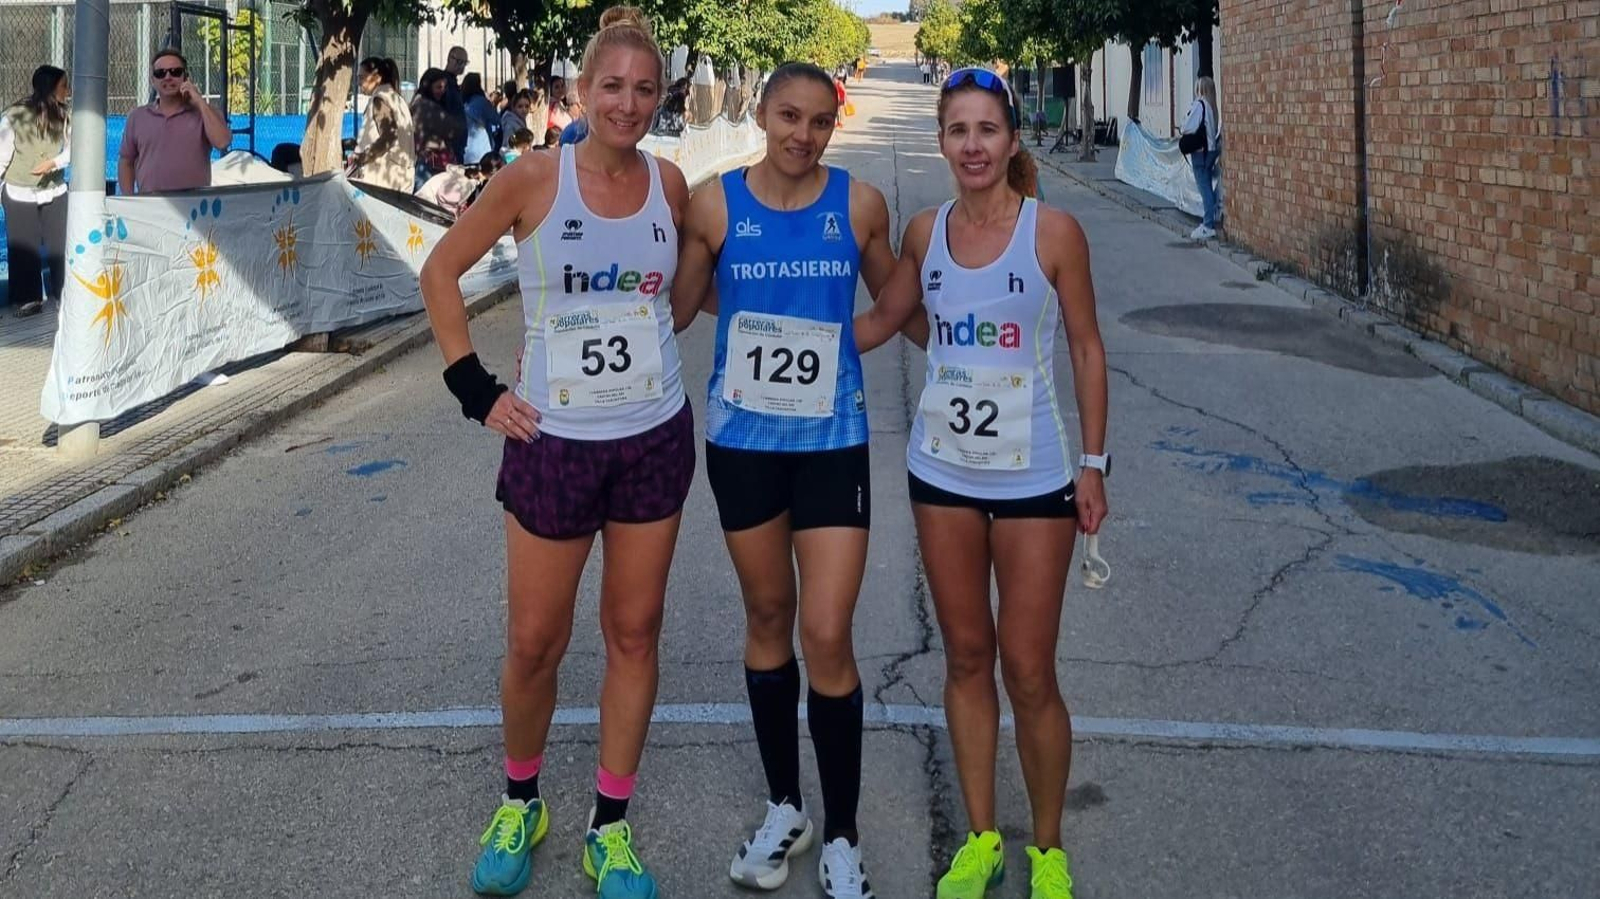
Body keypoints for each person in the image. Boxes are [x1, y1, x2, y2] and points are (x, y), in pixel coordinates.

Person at [417, 6, 692, 898]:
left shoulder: (673, 185)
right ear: (582, 91)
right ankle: (521, 796)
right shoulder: (534, 178)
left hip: (652, 435)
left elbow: (676, 300)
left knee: (634, 633)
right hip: (553, 441)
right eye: (611, 86)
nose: (628, 103)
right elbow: (439, 272)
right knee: (536, 641)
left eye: (645, 89)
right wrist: (478, 391)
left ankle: (608, 824)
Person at [850, 66, 1109, 899]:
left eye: (987, 130)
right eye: (958, 130)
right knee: (966, 655)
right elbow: (893, 319)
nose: (972, 145)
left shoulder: (1055, 232)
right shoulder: (924, 233)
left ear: (1011, 138)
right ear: (941, 142)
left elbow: (1086, 349)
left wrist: (1094, 463)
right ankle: (982, 838)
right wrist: (760, 321)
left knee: (1028, 668)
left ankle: (1049, 847)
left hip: (1035, 478)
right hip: (942, 475)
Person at [672, 60, 896, 899]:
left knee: (827, 631)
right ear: (762, 114)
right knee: (769, 614)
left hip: (832, 440)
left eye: (819, 122)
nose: (803, 135)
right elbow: (681, 305)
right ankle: (785, 806)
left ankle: (842, 832)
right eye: (788, 116)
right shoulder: (715, 203)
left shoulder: (860, 204)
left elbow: (894, 300)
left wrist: (843, 347)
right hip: (743, 441)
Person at [1, 64, 70, 318]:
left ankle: (66, 295)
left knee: (60, 245)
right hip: (19, 191)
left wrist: (54, 163)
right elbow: (2, 156)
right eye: (64, 86)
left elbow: (74, 149)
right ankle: (27, 299)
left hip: (55, 190)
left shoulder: (66, 115)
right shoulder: (14, 116)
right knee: (23, 247)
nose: (68, 90)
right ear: (51, 87)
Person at [117, 49, 231, 194]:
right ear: (153, 81)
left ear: (186, 78)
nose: (168, 77)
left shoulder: (206, 114)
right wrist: (130, 199)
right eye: (160, 73)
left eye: (175, 72)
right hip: (150, 205)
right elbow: (126, 161)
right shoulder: (137, 117)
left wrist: (199, 101)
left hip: (194, 207)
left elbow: (222, 142)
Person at [347, 57, 415, 193]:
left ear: (377, 77)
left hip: (383, 178)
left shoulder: (381, 99)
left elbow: (389, 136)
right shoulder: (398, 99)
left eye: (362, 78)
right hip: (403, 176)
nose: (359, 83)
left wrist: (364, 156)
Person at [1181, 76, 1222, 240]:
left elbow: (1187, 126)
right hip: (1210, 151)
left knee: (1203, 187)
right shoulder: (1212, 107)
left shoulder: (1199, 105)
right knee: (1207, 187)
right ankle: (1210, 220)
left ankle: (1208, 224)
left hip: (1199, 152)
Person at [413, 68, 465, 189]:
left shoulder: (425, 103)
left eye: (444, 87)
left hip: (432, 163)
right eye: (438, 87)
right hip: (429, 165)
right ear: (428, 86)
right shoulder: (424, 106)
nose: (442, 91)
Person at [462, 72, 500, 160]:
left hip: (466, 150)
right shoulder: (482, 102)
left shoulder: (463, 102)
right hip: (482, 147)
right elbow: (496, 122)